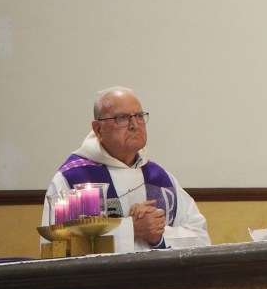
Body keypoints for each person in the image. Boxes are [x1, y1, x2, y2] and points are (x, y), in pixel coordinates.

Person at [42, 87, 210, 252]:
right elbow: (56, 247)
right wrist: (132, 231)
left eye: (139, 116)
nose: (134, 125)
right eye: (122, 118)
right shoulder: (71, 178)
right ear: (98, 129)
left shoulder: (162, 179)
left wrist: (158, 236)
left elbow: (201, 239)